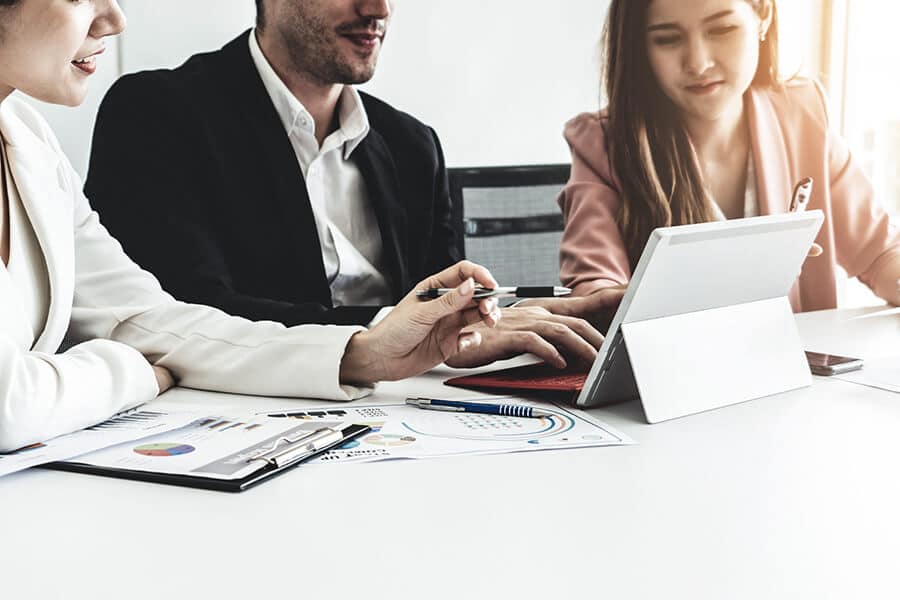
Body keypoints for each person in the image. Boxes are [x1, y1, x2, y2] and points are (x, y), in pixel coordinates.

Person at [0, 0, 504, 452]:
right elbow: (10, 405)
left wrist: (362, 354)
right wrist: (138, 372)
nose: (115, 20)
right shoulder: (165, 110)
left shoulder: (31, 140)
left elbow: (147, 320)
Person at [83, 0, 615, 371]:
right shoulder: (157, 114)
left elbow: (447, 298)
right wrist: (405, 331)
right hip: (253, 416)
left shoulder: (412, 144)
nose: (378, 9)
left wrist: (499, 314)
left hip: (415, 412)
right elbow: (185, 312)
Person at [558, 0, 900, 311]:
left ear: (762, 16)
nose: (698, 62)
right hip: (675, 372)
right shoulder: (603, 143)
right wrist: (733, 280)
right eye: (667, 39)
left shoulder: (802, 114)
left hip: (802, 374)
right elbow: (595, 293)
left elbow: (881, 254)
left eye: (721, 29)